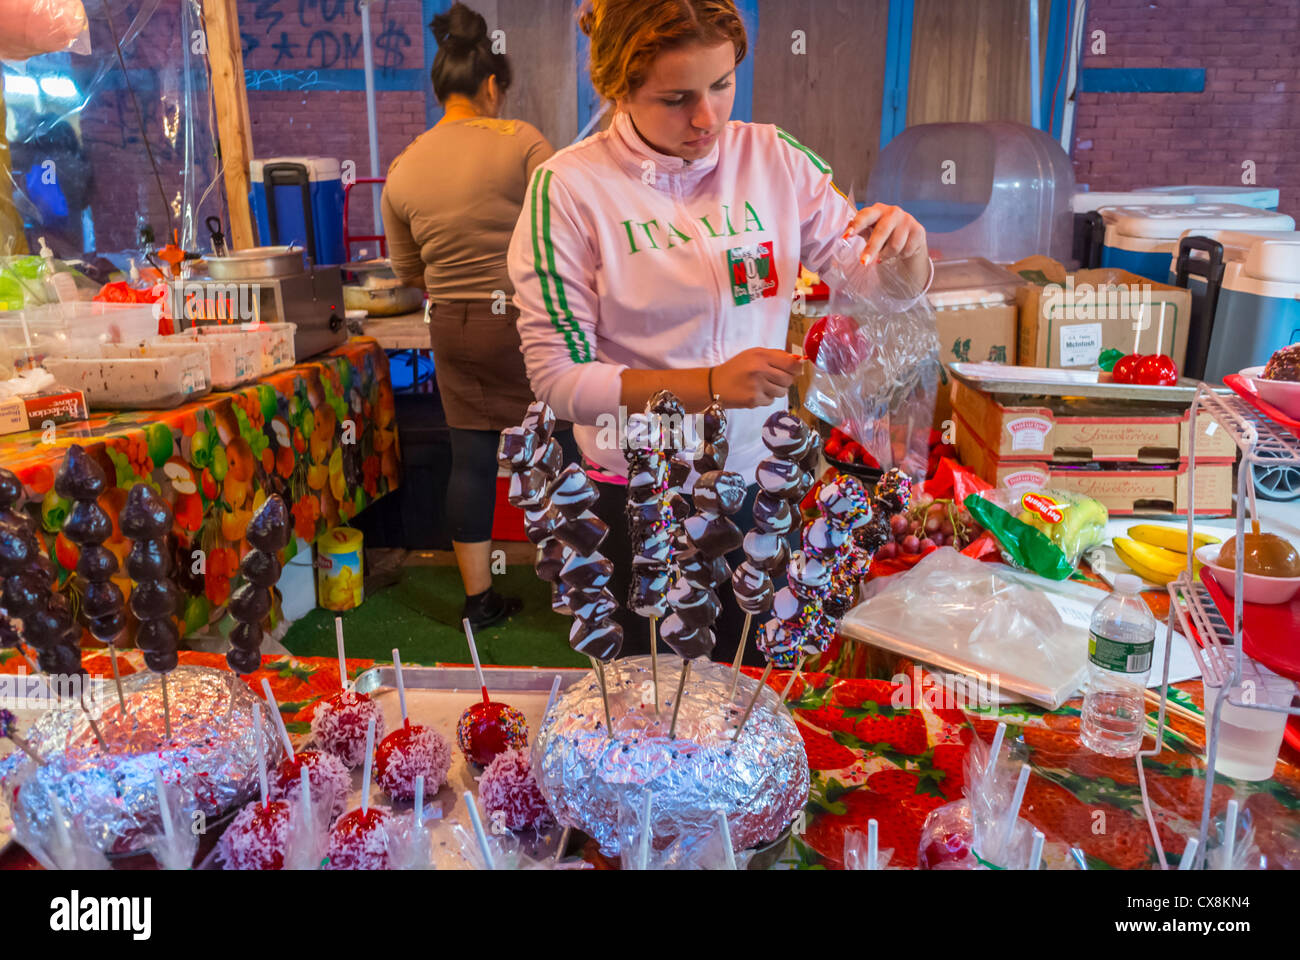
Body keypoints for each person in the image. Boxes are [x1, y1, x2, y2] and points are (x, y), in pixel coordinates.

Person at [507, 0, 933, 665]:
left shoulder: (772, 160)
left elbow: (882, 285)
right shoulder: (569, 189)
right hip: (638, 496)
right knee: (651, 708)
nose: (707, 118)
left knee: (752, 686)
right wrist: (705, 387)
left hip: (757, 486)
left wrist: (906, 251)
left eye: (723, 84)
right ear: (618, 90)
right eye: (675, 98)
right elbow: (560, 382)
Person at [383, 2, 576, 629]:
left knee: (470, 456)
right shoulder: (521, 142)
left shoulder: (405, 165)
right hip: (524, 322)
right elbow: (562, 236)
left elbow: (407, 273)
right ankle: (577, 591)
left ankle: (477, 602)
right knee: (560, 451)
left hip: (452, 327)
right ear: (492, 85)